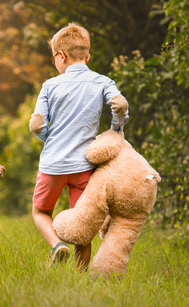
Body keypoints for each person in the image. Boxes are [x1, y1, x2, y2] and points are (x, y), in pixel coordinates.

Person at [29, 23, 129, 270]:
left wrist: (50, 138)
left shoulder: (50, 86)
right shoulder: (102, 81)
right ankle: (80, 276)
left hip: (53, 163)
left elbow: (37, 126)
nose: (55, 63)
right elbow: (117, 105)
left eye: (54, 58)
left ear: (61, 56)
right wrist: (116, 129)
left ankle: (56, 246)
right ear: (87, 56)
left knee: (40, 213)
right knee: (83, 222)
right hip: (85, 165)